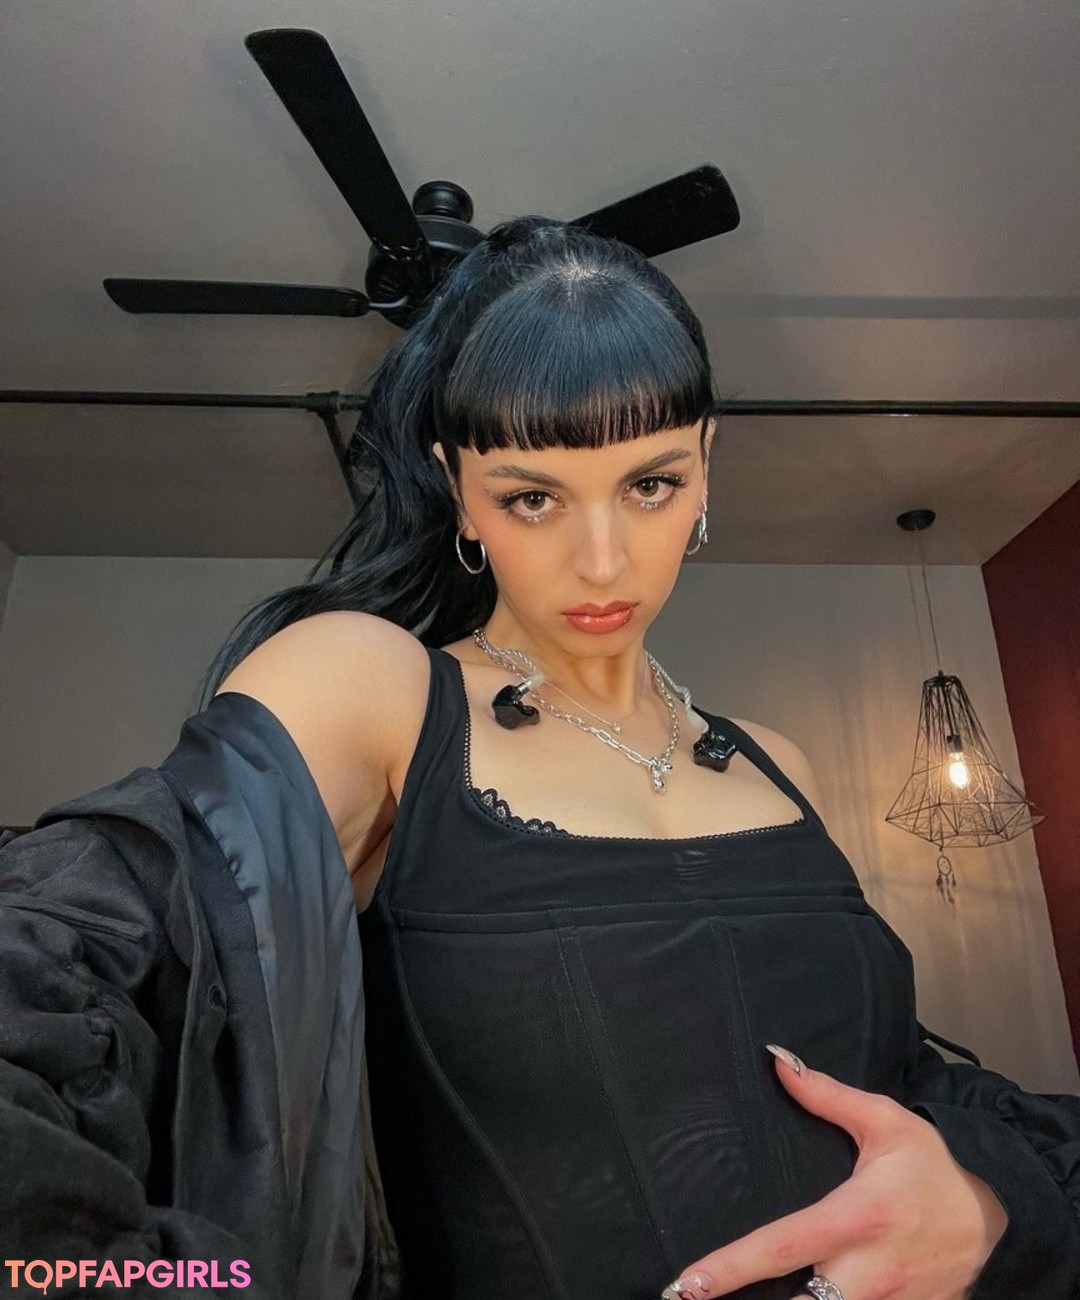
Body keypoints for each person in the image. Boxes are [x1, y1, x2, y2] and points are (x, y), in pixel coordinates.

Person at [1, 217, 1078, 1300]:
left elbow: (900, 1086)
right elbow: (45, 966)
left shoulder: (780, 761)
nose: (602, 562)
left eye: (651, 484)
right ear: (457, 488)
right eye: (532, 497)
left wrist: (986, 1200)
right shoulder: (376, 692)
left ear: (707, 463)